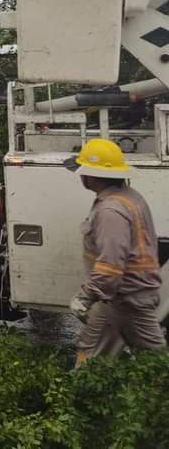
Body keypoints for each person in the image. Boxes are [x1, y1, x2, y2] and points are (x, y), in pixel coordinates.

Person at [65, 138, 166, 366]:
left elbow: (111, 264)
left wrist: (86, 295)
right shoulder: (129, 197)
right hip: (123, 296)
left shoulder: (111, 210)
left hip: (124, 297)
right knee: (147, 358)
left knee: (149, 361)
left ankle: (84, 396)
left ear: (91, 175)